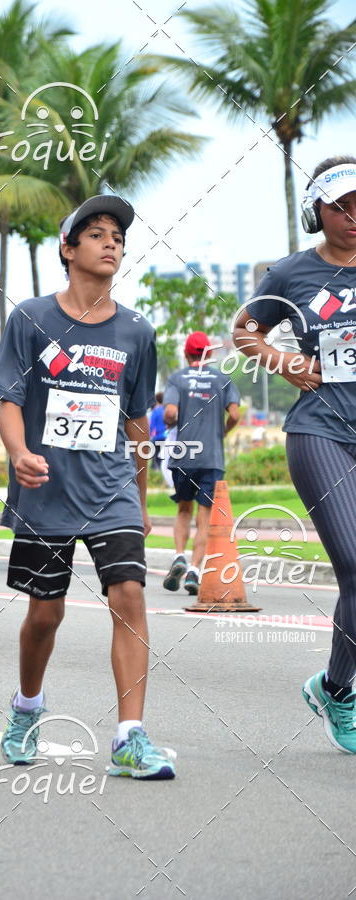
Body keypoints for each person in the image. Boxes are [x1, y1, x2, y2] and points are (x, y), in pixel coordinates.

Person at [0, 195, 176, 780]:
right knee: (46, 613)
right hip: (46, 491)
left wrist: (140, 499)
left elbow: (137, 421)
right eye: (96, 233)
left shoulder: (137, 330)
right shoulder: (31, 318)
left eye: (117, 235)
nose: (110, 242)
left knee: (129, 596)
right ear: (68, 250)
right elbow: (9, 399)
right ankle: (27, 707)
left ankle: (129, 737)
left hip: (112, 487)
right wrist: (18, 453)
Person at [233, 155, 356, 753]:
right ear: (317, 213)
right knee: (355, 565)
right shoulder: (291, 272)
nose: (354, 216)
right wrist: (285, 362)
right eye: (341, 206)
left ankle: (333, 687)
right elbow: (244, 330)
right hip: (321, 430)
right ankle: (343, 695)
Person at [162, 331, 240, 595]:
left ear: (186, 354)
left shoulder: (177, 379)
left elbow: (170, 412)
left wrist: (172, 421)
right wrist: (222, 432)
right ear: (210, 354)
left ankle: (179, 556)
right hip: (211, 458)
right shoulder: (222, 380)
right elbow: (235, 414)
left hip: (184, 455)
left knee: (183, 509)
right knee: (204, 516)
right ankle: (194, 570)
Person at [149, 392, 166, 470]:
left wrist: (149, 435)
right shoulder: (167, 410)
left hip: (158, 437)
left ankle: (156, 469)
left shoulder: (156, 411)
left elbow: (151, 426)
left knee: (156, 455)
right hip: (167, 437)